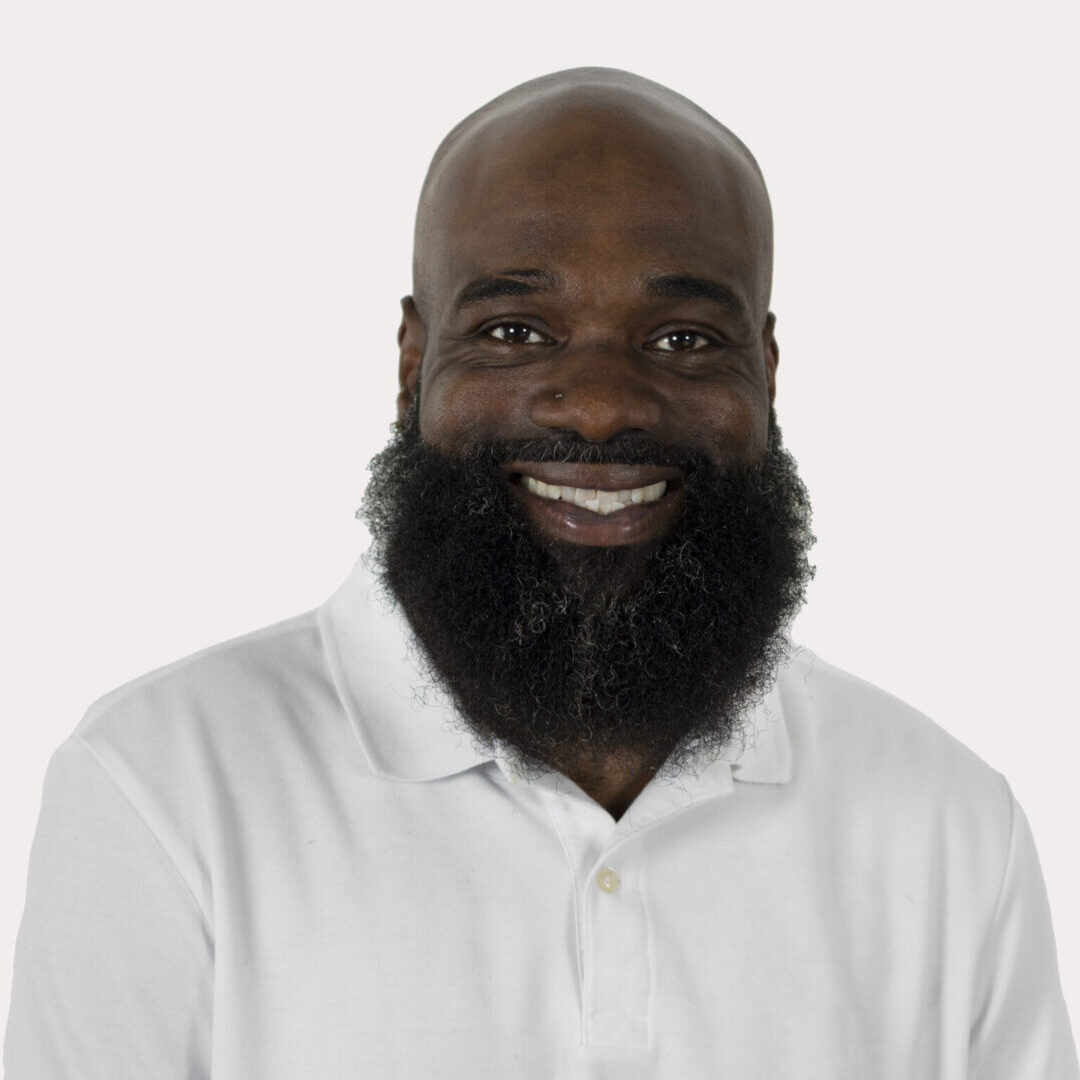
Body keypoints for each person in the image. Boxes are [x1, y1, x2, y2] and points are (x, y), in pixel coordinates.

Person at [4, 67, 1076, 1079]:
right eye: (516, 330)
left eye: (687, 340)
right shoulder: (164, 788)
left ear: (769, 369)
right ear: (413, 365)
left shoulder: (947, 824)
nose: (602, 404)